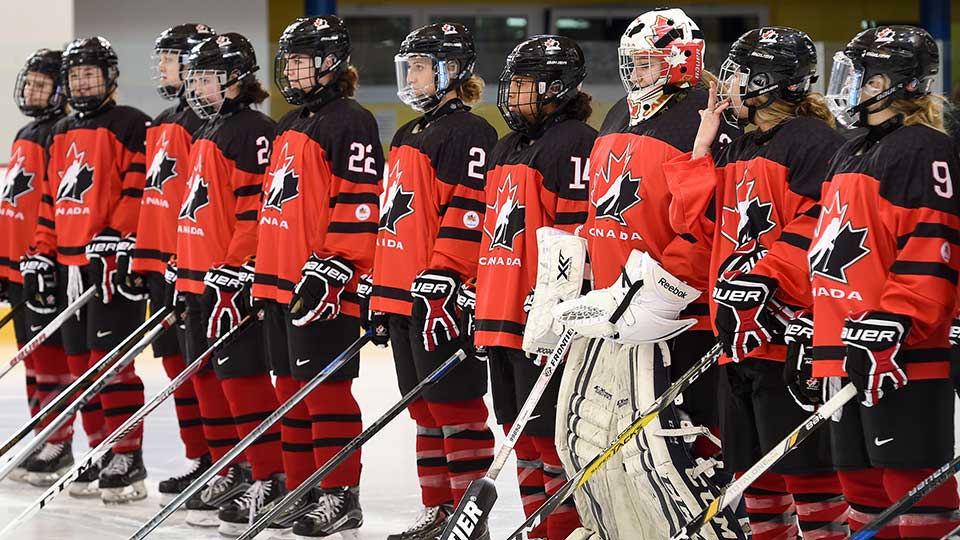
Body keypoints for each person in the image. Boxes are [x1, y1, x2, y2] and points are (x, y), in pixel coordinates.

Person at [549, 8, 744, 539]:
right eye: (631, 63)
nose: (634, 73)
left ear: (680, 59)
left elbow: (710, 222)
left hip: (677, 316)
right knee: (594, 435)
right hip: (616, 307)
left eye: (644, 62)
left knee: (671, 445)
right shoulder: (619, 113)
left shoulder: (706, 122)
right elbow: (601, 214)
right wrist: (573, 281)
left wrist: (665, 288)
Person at [663, 27, 849, 540]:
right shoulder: (739, 146)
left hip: (788, 333)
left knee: (810, 478)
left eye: (739, 75)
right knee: (754, 479)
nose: (728, 85)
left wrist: (764, 281)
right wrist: (701, 149)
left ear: (768, 81)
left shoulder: (814, 142)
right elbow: (695, 223)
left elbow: (822, 225)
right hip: (737, 335)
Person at [813, 26, 960, 538]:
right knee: (858, 484)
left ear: (897, 84)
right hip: (843, 346)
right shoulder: (850, 149)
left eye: (861, 76)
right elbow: (828, 253)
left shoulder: (922, 148)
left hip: (899, 352)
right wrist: (814, 333)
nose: (849, 86)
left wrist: (895, 321)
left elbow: (930, 247)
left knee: (913, 487)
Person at [251, 15, 382, 538]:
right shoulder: (289, 123)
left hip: (323, 285)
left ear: (330, 62)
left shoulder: (351, 120)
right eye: (291, 60)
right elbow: (272, 208)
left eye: (303, 59)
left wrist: (337, 264)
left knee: (325, 391)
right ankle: (302, 487)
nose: (294, 70)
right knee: (290, 389)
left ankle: (339, 494)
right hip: (282, 280)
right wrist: (261, 274)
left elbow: (359, 200)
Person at [369, 22, 498, 540]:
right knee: (421, 408)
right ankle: (439, 512)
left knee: (457, 407)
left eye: (421, 66)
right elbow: (391, 221)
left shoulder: (470, 132)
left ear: (450, 71)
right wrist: (377, 289)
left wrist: (446, 275)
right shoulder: (406, 133)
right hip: (402, 296)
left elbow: (469, 214)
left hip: (439, 298)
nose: (413, 76)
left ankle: (471, 520)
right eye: (411, 66)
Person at [468, 34, 593, 540]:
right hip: (500, 316)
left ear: (556, 88)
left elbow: (576, 237)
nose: (513, 93)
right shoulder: (505, 146)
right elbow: (490, 234)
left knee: (549, 436)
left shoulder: (574, 143)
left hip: (541, 322)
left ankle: (563, 531)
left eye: (524, 84)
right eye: (513, 82)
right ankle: (538, 528)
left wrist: (557, 305)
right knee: (518, 436)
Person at [24, 35, 151, 503]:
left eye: (90, 74)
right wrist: (42, 250)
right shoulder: (60, 132)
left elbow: (138, 191)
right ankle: (99, 450)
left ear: (109, 77)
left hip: (112, 264)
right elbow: (48, 200)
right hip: (67, 264)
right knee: (80, 365)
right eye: (75, 75)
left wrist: (116, 235)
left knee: (111, 364)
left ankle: (127, 453)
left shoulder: (132, 124)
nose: (81, 82)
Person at [174, 32, 278, 534]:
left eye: (207, 77)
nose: (197, 86)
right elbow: (199, 206)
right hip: (198, 277)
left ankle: (267, 474)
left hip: (229, 281)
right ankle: (231, 467)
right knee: (207, 379)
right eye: (194, 77)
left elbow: (256, 212)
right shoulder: (210, 128)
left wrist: (236, 267)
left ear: (237, 77)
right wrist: (183, 261)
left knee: (243, 380)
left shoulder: (255, 130)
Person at [124, 22, 219, 505]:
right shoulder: (162, 119)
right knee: (176, 362)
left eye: (168, 58)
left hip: (193, 265)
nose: (160, 67)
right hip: (160, 262)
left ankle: (226, 460)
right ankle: (201, 457)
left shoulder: (208, 123)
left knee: (206, 366)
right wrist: (141, 256)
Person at [3, 48, 77, 486]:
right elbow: (12, 205)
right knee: (32, 359)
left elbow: (54, 205)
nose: (31, 90)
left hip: (41, 262)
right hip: (17, 266)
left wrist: (41, 256)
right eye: (28, 82)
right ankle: (41, 433)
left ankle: (59, 440)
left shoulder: (59, 135)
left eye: (41, 83)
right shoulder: (25, 132)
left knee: (50, 358)